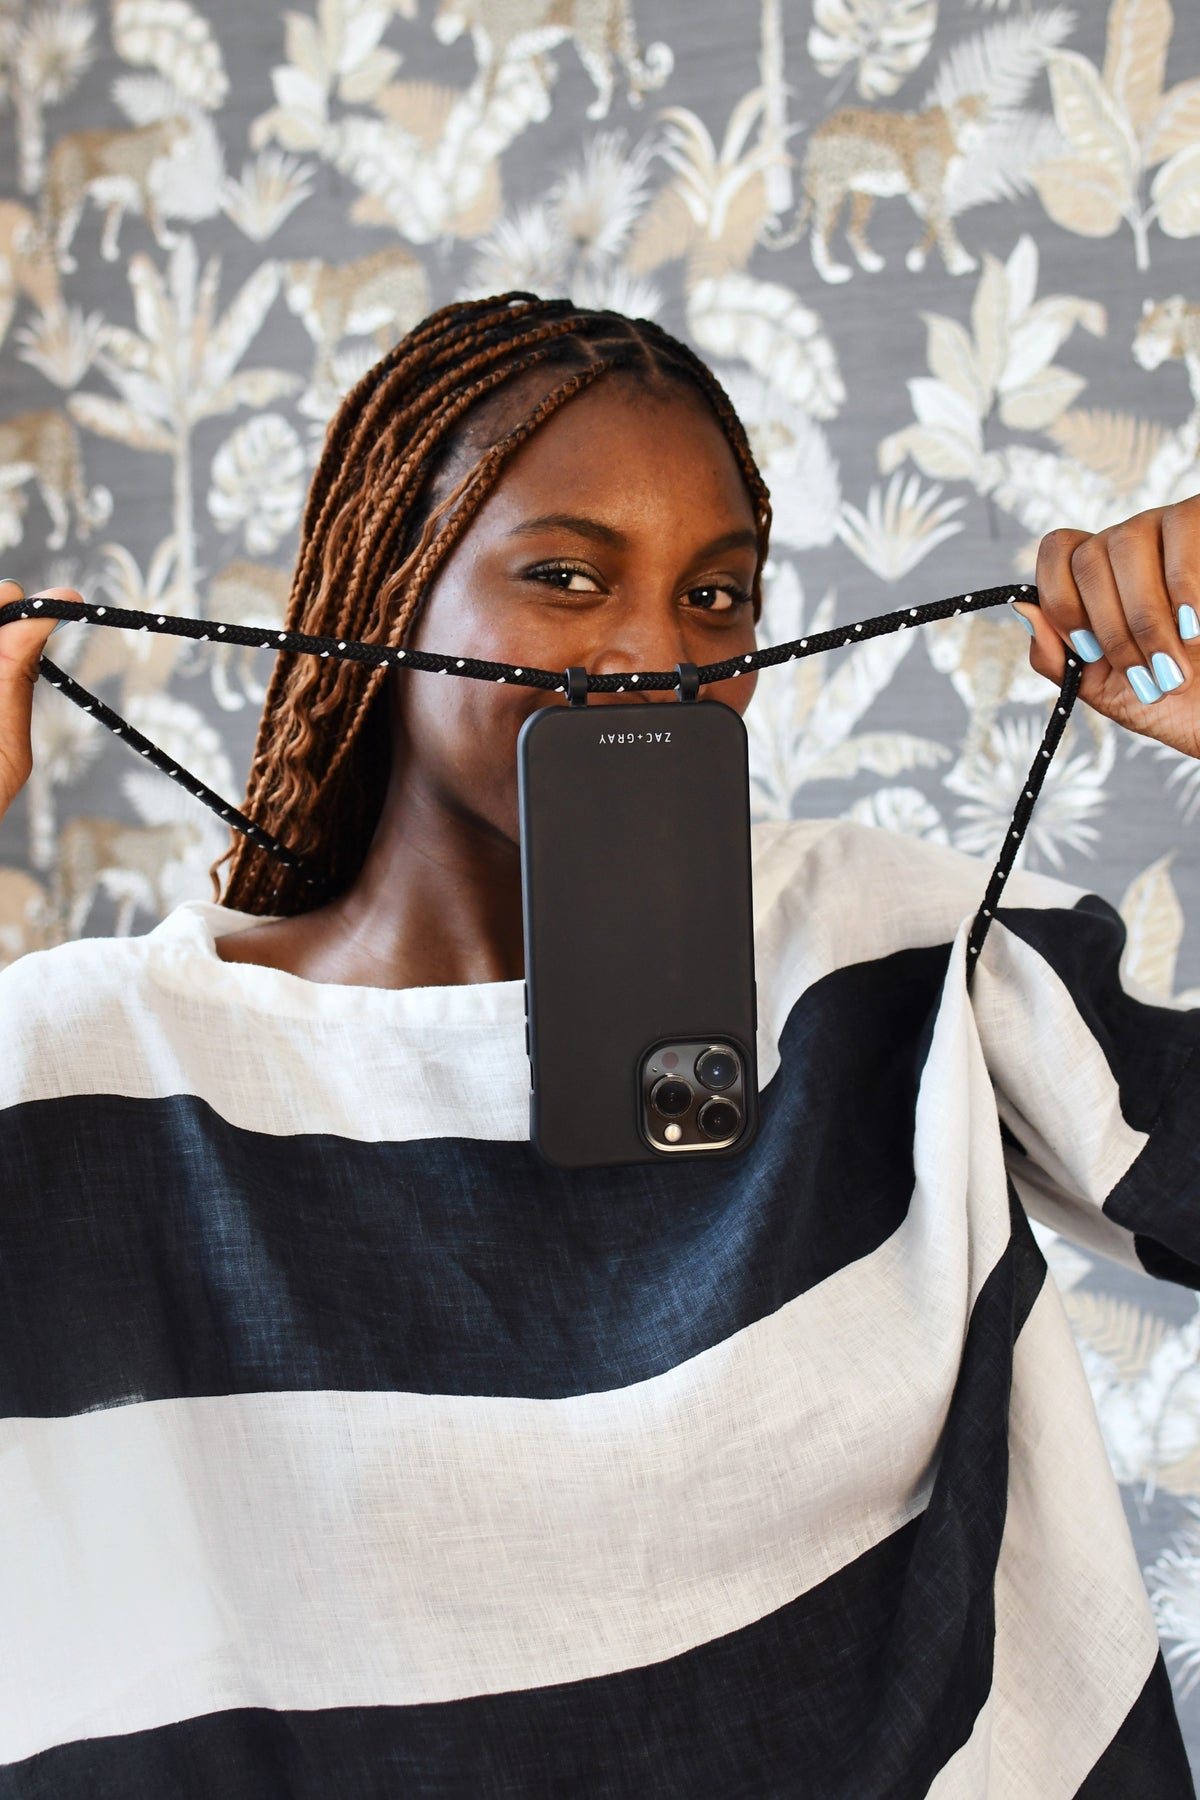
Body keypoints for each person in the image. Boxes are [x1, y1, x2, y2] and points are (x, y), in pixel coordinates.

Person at [0, 292, 1198, 1797]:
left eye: (718, 595)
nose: (654, 651)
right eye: (565, 576)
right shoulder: (87, 1063)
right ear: (388, 594)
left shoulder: (882, 952)